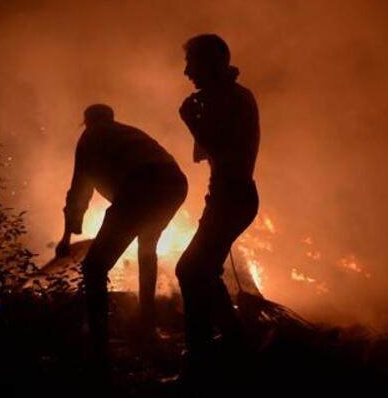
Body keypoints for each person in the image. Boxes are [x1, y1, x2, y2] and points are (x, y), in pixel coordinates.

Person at [56, 103, 187, 369]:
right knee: (147, 249)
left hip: (139, 186)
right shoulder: (128, 131)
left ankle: (98, 345)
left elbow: (79, 191)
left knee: (94, 267)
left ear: (87, 121)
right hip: (174, 184)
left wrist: (67, 236)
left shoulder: (89, 138)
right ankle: (147, 325)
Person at [175, 34, 260, 377]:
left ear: (213, 62)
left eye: (192, 62)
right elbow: (206, 155)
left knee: (190, 270)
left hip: (233, 198)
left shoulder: (233, 99)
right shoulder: (224, 97)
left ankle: (201, 363)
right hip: (229, 198)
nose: (186, 71)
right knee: (204, 271)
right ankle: (236, 345)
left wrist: (191, 121)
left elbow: (223, 154)